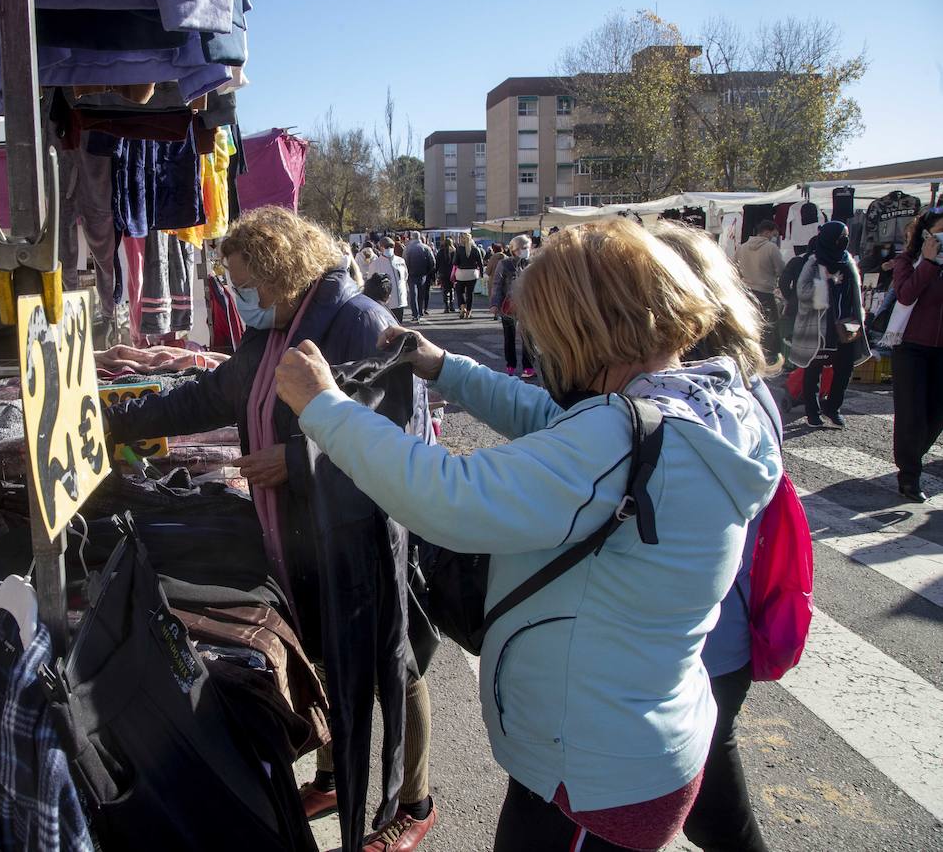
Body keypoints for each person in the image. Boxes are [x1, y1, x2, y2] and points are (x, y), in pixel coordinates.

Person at [274, 218, 781, 852]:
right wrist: (443, 367)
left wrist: (324, 406)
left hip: (595, 767)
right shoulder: (702, 407)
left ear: (585, 329)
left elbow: (447, 497)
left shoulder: (623, 437)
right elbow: (558, 423)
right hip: (626, 740)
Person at [103, 207, 439, 851]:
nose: (239, 296)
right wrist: (116, 417)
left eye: (244, 281)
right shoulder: (272, 335)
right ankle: (338, 774)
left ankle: (411, 801)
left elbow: (406, 442)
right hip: (301, 538)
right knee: (324, 654)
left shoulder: (360, 322)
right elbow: (204, 397)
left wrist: (296, 460)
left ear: (282, 269)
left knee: (389, 664)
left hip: (362, 543)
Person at [649, 223, 774, 852]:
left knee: (714, 815)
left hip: (706, 644)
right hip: (716, 635)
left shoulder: (702, 404)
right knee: (706, 807)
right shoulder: (733, 387)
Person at [788, 221, 871, 428]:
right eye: (840, 236)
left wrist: (859, 316)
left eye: (845, 235)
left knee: (844, 369)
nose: (843, 240)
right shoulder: (814, 261)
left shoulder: (847, 259)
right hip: (819, 326)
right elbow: (802, 291)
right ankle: (812, 412)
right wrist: (825, 282)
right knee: (814, 369)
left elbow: (855, 291)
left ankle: (833, 408)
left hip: (846, 325)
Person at [889, 206, 943, 502]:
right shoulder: (907, 261)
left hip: (941, 351)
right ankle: (909, 475)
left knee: (935, 416)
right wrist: (930, 263)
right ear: (925, 235)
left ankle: (911, 455)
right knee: (912, 415)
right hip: (911, 348)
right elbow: (906, 294)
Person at [734, 219, 786, 362]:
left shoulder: (742, 247)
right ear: (767, 232)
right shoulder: (771, 248)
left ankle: (748, 352)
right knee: (769, 325)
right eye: (774, 234)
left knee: (749, 323)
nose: (774, 237)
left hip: (746, 291)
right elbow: (781, 269)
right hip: (765, 291)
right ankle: (768, 356)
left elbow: (734, 268)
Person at [491, 235, 535, 378]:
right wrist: (494, 304)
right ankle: (511, 365)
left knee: (529, 338)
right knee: (509, 336)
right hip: (508, 305)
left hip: (528, 306)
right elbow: (497, 285)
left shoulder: (533, 263)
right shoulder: (504, 264)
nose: (526, 251)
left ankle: (528, 367)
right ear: (515, 249)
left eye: (528, 247)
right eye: (523, 248)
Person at [370, 238, 410, 324]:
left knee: (399, 325)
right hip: (386, 303)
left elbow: (405, 276)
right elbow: (371, 283)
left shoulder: (400, 261)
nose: (389, 249)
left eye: (391, 246)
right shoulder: (375, 264)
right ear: (381, 248)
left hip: (400, 300)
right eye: (387, 247)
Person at [404, 232, 436, 323]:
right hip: (423, 274)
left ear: (412, 238)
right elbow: (432, 262)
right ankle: (421, 311)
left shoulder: (408, 248)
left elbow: (404, 261)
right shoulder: (426, 248)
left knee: (413, 295)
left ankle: (415, 314)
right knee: (421, 294)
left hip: (411, 274)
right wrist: (428, 272)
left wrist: (406, 273)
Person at [452, 234, 485, 319]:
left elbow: (455, 262)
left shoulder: (459, 249)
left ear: (462, 240)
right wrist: (481, 274)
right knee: (470, 293)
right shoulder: (476, 249)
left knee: (460, 292)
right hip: (472, 273)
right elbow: (480, 263)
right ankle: (469, 311)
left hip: (461, 273)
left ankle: (463, 307)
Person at [435, 236, 456, 314]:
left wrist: (436, 273)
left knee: (445, 290)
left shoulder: (440, 252)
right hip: (452, 273)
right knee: (452, 289)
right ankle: (452, 305)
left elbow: (437, 264)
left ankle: (446, 306)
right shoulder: (454, 251)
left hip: (443, 273)